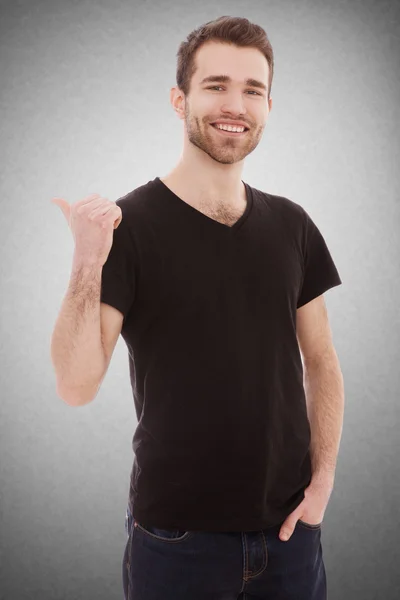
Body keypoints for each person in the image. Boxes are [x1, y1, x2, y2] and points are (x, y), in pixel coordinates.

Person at [51, 15, 345, 600]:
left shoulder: (293, 225)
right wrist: (87, 259)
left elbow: (323, 361)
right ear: (179, 98)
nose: (234, 104)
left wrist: (324, 482)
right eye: (215, 86)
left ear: (268, 105)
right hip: (175, 542)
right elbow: (76, 385)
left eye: (252, 90)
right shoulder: (127, 228)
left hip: (290, 538)